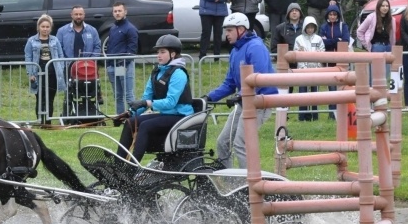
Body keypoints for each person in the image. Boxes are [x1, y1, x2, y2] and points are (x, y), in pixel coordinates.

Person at [202, 13, 278, 169]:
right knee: (222, 143)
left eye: (229, 30)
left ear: (241, 29)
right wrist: (209, 97)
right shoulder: (235, 51)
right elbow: (229, 83)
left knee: (240, 143)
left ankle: (249, 186)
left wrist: (239, 95)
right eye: (226, 30)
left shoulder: (256, 47)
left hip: (260, 102)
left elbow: (259, 78)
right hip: (244, 102)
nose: (226, 34)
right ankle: (230, 184)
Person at [118, 34, 193, 162]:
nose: (159, 55)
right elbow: (146, 98)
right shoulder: (156, 72)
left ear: (173, 54)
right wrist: (130, 113)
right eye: (158, 52)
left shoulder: (179, 73)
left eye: (162, 52)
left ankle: (132, 167)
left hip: (180, 116)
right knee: (130, 123)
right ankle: (118, 165)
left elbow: (170, 102)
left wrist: (147, 103)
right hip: (167, 115)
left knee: (146, 126)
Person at [25, 14, 66, 124]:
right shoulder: (31, 41)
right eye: (43, 26)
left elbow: (61, 55)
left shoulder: (55, 40)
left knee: (50, 99)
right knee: (40, 98)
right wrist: (30, 73)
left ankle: (48, 121)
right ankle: (40, 120)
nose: (45, 29)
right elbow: (28, 57)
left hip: (52, 73)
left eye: (47, 27)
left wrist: (60, 68)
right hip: (37, 73)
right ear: (38, 27)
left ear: (51, 28)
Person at [106, 2, 139, 115]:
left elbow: (132, 49)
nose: (117, 13)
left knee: (128, 94)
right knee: (117, 95)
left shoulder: (130, 29)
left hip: (123, 66)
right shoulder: (113, 28)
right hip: (111, 65)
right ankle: (120, 117)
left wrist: (125, 63)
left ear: (125, 12)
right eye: (115, 11)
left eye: (119, 11)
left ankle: (133, 117)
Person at [318, 4, 350, 117]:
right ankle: (332, 114)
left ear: (338, 15)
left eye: (334, 14)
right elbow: (322, 42)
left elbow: (345, 40)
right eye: (330, 14)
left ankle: (343, 112)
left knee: (341, 86)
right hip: (329, 61)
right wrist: (337, 40)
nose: (332, 16)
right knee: (331, 87)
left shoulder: (343, 26)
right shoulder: (323, 27)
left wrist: (330, 41)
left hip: (341, 60)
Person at [357, 0, 395, 84]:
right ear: (378, 7)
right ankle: (372, 96)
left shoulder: (391, 19)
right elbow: (360, 31)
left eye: (387, 6)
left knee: (385, 75)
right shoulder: (371, 17)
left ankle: (381, 96)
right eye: (383, 6)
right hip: (376, 47)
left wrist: (392, 48)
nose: (385, 8)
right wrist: (367, 45)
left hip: (388, 47)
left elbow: (392, 36)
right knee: (374, 75)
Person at [293, 16, 325, 121]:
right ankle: (302, 117)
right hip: (302, 70)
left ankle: (315, 116)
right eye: (308, 27)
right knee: (302, 93)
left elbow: (322, 52)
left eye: (312, 27)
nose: (310, 29)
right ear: (304, 27)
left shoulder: (319, 39)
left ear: (315, 28)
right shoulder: (298, 39)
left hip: (316, 69)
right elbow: (295, 53)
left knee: (315, 93)